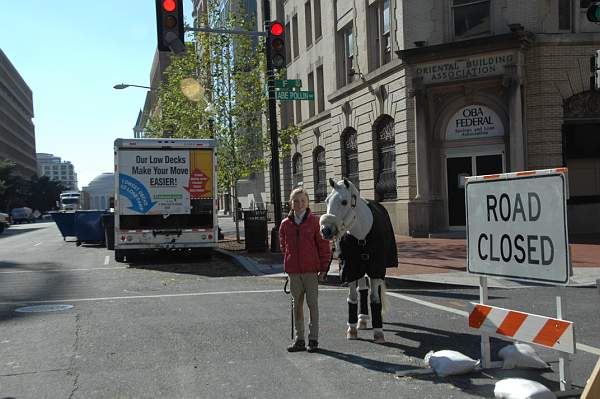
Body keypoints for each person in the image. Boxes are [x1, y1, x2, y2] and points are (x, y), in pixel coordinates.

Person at [279, 187, 331, 353]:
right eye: (296, 201)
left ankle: (313, 339)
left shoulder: (315, 222)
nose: (299, 204)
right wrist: (289, 261)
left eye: (302, 200)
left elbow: (323, 246)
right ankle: (299, 339)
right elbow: (283, 246)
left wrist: (323, 269)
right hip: (294, 273)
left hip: (310, 272)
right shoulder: (285, 224)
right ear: (291, 204)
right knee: (297, 306)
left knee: (312, 305)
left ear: (308, 202)